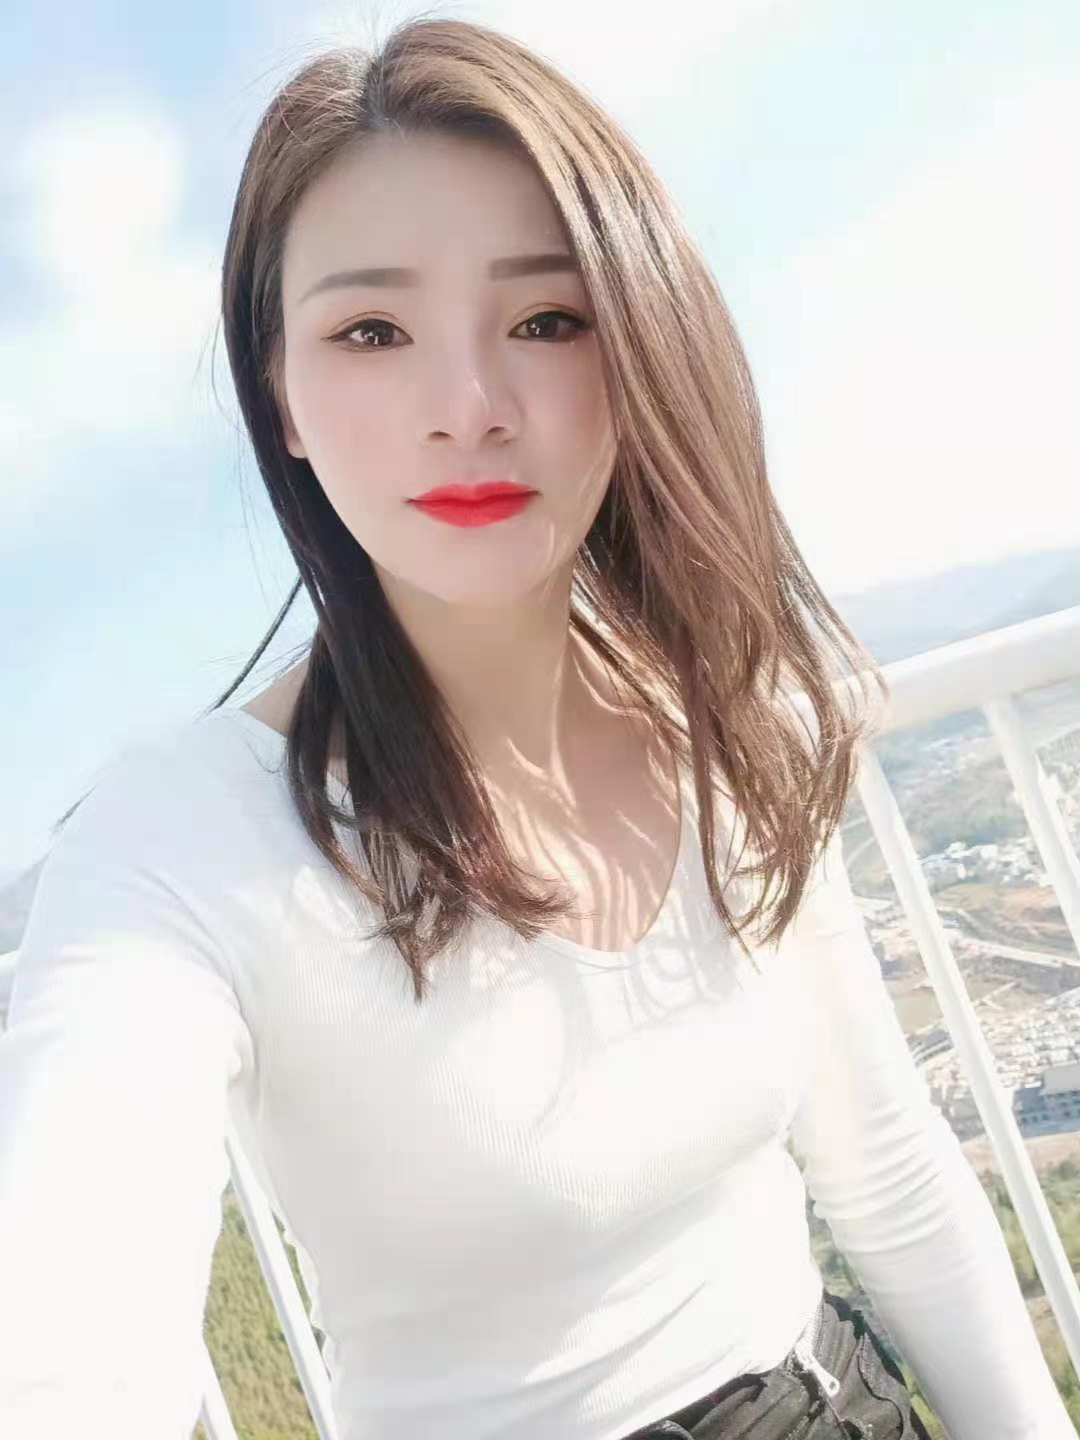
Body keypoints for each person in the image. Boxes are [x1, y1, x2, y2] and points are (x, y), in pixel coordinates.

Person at [0, 14, 1074, 1440]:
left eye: (547, 320)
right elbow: (73, 1343)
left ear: (639, 347)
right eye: (371, 332)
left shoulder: (718, 709)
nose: (469, 408)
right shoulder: (188, 843)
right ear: (282, 397)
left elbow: (888, 1172)